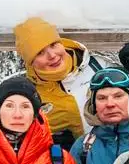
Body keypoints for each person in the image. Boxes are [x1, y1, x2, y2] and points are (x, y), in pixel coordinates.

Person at [13, 16, 99, 150]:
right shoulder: (29, 93)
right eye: (40, 52)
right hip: (65, 163)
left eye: (53, 45)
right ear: (31, 61)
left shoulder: (97, 66)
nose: (52, 55)